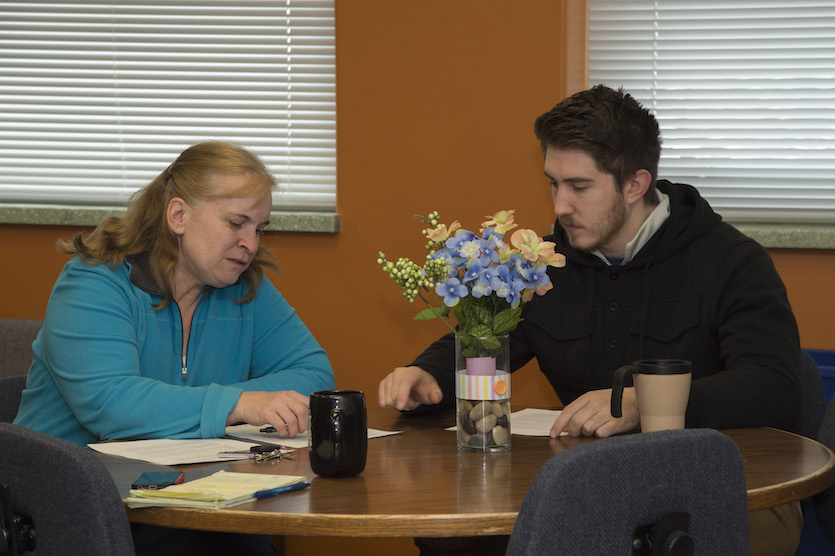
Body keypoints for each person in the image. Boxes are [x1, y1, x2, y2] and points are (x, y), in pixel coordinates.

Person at [378, 85, 803, 556]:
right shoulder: (543, 264)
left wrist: (647, 402)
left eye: (579, 187)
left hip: (721, 487)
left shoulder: (730, 261)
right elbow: (489, 338)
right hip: (585, 483)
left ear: (635, 185)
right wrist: (427, 374)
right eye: (553, 184)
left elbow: (775, 388)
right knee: (450, 538)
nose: (560, 206)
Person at [14, 140, 335, 555]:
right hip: (69, 508)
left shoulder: (244, 287)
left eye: (259, 229)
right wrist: (238, 404)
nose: (251, 245)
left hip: (191, 495)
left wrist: (199, 405)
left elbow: (313, 373)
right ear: (179, 215)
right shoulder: (95, 281)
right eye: (237, 223)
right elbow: (110, 402)